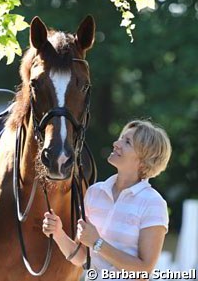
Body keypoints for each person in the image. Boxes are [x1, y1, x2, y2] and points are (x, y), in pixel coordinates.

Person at [42, 120, 172, 280]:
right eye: (121, 138)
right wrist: (58, 232)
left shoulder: (153, 203)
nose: (116, 143)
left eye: (127, 142)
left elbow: (144, 270)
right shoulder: (94, 192)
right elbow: (81, 257)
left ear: (144, 158)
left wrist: (97, 243)